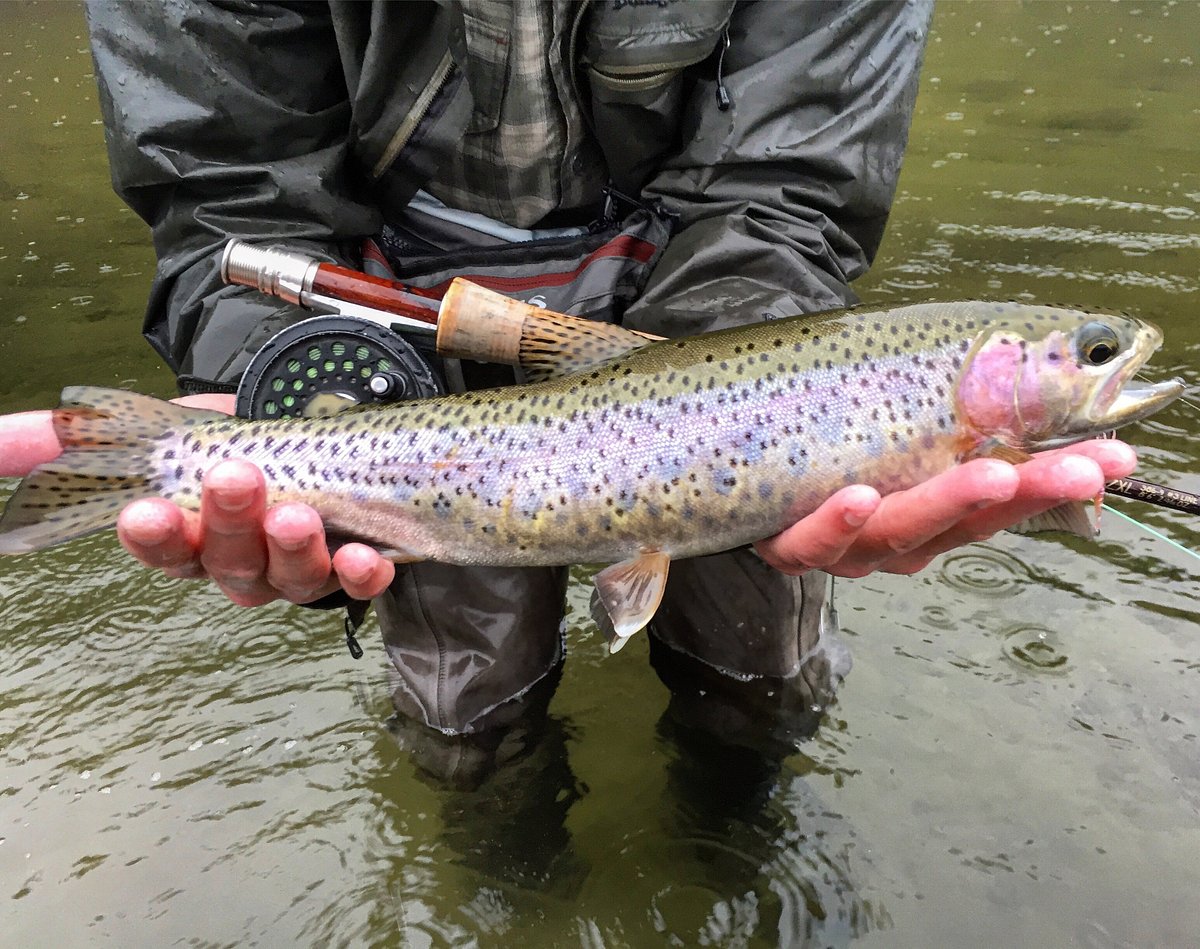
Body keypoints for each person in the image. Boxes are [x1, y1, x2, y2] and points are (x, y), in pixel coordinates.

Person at [0, 1, 1137, 769]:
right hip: (390, 325)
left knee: (761, 682)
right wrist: (265, 379)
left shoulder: (938, 406)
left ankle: (732, 795)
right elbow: (230, 191)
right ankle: (497, 845)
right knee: (464, 718)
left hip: (731, 306)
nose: (1109, 364)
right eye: (1090, 355)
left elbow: (791, 187)